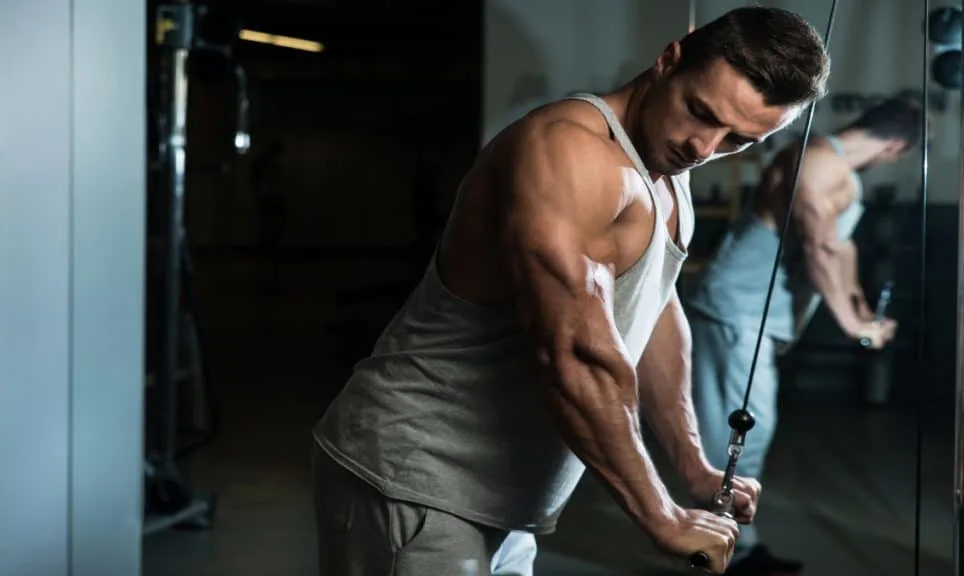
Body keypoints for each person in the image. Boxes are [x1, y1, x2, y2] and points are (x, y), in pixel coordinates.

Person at [311, 7, 830, 575]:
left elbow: (653, 312)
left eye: (738, 140)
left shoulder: (669, 169)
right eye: (700, 113)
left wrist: (693, 465)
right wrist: (660, 515)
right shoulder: (571, 151)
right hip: (415, 475)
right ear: (668, 60)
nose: (705, 147)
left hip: (505, 495)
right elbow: (575, 354)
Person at [684, 96, 922, 574]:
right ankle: (714, 554)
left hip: (758, 319)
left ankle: (740, 547)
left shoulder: (842, 177)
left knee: (747, 435)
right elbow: (816, 247)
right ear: (896, 146)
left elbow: (841, 247)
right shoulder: (812, 162)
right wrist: (854, 328)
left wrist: (863, 310)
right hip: (735, 312)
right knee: (736, 436)